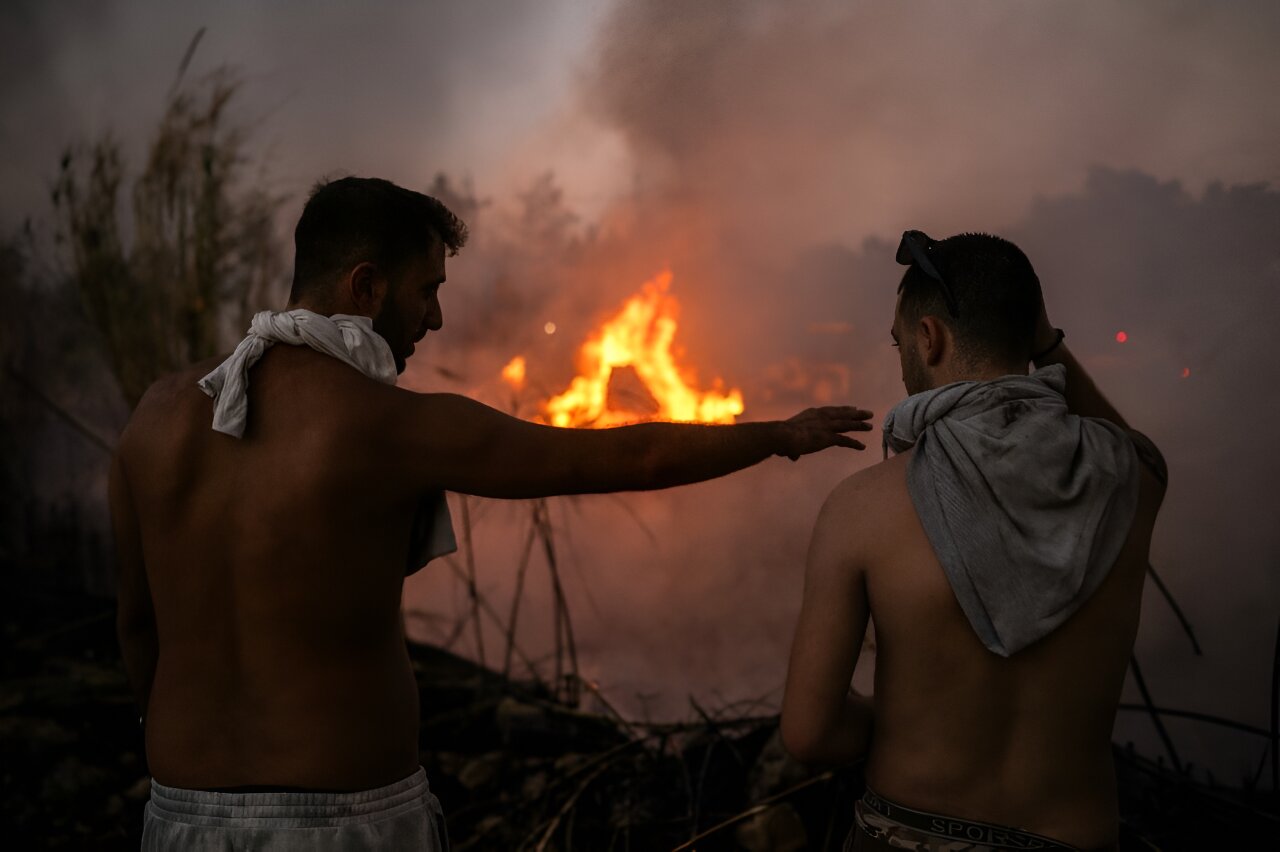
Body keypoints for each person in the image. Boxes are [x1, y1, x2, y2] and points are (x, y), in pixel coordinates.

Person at [108, 176, 874, 850]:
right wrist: (778, 436)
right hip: (338, 824)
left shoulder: (155, 420)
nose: (435, 320)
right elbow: (620, 460)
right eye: (427, 290)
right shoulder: (385, 426)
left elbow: (139, 627)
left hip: (181, 818)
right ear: (367, 287)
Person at [780, 231, 1167, 851]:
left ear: (929, 338)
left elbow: (809, 734)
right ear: (1033, 335)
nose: (902, 361)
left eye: (899, 344)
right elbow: (1127, 443)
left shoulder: (861, 507)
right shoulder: (1131, 482)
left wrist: (914, 723)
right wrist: (1040, 339)